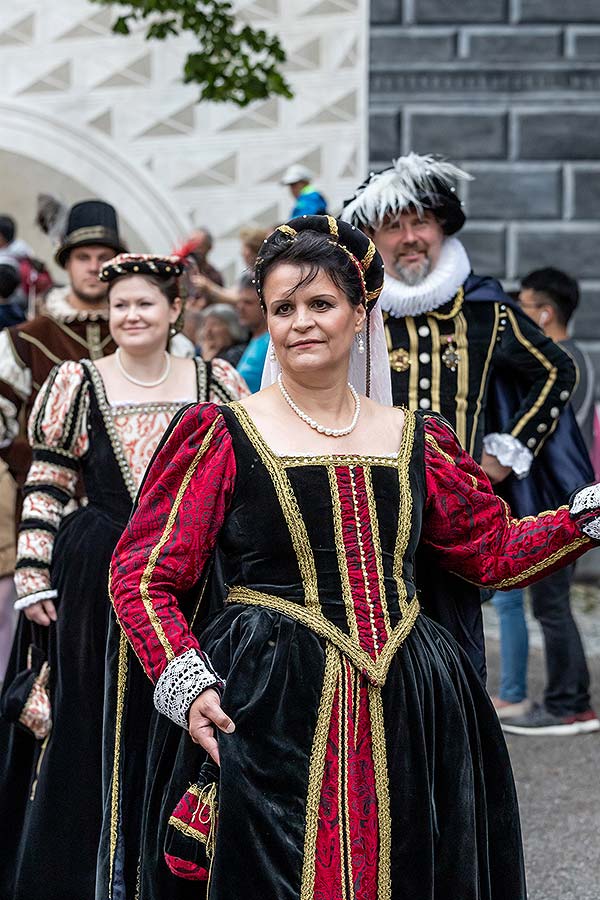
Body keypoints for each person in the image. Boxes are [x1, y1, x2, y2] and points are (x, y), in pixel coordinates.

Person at [103, 215, 600, 900]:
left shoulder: (415, 438)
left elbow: (490, 552)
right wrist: (189, 686)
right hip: (270, 704)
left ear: (360, 314)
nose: (301, 322)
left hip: (413, 703)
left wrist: (582, 517)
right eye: (283, 308)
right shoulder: (221, 432)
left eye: (321, 303)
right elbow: (144, 573)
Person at [0, 252, 249, 900]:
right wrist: (33, 575)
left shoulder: (212, 378)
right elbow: (47, 482)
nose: (130, 315)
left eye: (144, 304)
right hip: (98, 572)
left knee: (179, 717)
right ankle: (100, 875)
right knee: (96, 722)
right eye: (119, 306)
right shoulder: (78, 381)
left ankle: (166, 869)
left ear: (174, 310)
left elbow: (246, 481)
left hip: (193, 574)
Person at [341, 153, 578, 676]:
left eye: (419, 222)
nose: (408, 237)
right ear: (374, 237)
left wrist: (506, 449)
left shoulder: (484, 311)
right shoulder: (357, 315)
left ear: (441, 228)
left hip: (461, 514)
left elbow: (556, 371)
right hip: (375, 508)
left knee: (459, 643)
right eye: (392, 225)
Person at [493, 267, 598, 734]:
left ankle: (568, 704)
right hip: (567, 499)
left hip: (561, 502)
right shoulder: (578, 357)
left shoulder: (560, 363)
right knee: (553, 605)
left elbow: (554, 437)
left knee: (552, 607)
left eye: (526, 305)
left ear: (546, 311)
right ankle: (569, 700)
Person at [236, 272, 269, 392]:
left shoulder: (272, 342)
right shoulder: (255, 339)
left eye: (248, 303)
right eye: (239, 301)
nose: (240, 308)